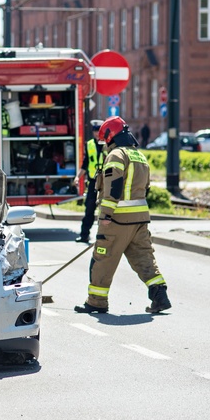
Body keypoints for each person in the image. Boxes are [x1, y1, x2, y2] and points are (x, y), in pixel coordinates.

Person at [74, 116, 172, 315]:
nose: (106, 145)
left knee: (103, 259)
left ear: (111, 136)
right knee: (144, 258)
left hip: (117, 219)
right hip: (140, 219)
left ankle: (97, 301)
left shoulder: (116, 156)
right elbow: (146, 188)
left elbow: (113, 187)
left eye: (106, 140)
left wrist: (106, 215)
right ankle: (160, 296)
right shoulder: (139, 156)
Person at [75, 120, 105, 243]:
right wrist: (78, 177)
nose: (97, 134)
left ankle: (105, 237)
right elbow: (86, 163)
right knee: (89, 209)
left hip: (106, 182)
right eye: (95, 131)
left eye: (99, 131)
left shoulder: (109, 144)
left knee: (105, 210)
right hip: (93, 182)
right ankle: (84, 235)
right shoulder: (90, 144)